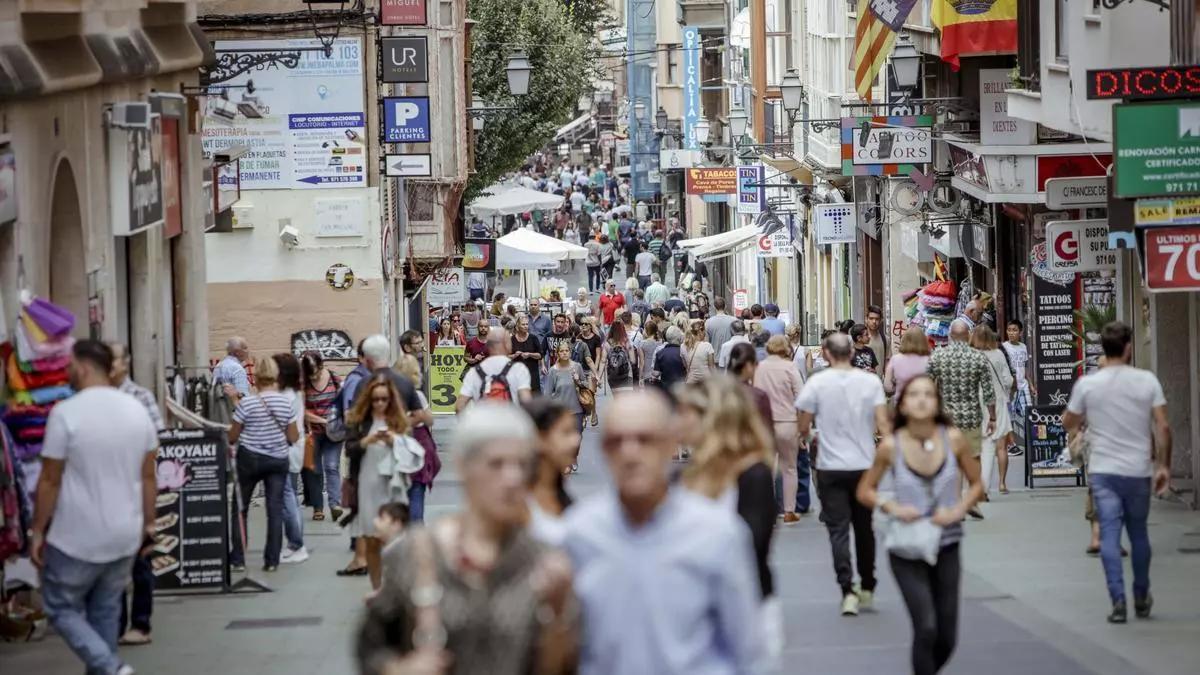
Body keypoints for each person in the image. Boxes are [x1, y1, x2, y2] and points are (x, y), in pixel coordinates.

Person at [357, 403, 577, 675]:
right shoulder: (418, 552)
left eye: (521, 464)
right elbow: (371, 647)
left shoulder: (544, 560)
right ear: (463, 466)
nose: (512, 478)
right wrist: (397, 668)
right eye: (496, 463)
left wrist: (558, 619)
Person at [562, 391, 764, 675]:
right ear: (604, 451)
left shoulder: (717, 533)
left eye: (645, 439)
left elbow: (749, 652)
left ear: (670, 444)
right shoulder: (578, 535)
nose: (630, 453)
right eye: (617, 442)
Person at [32, 341, 158, 675]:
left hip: (76, 534)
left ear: (84, 368)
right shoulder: (137, 411)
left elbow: (49, 479)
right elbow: (148, 476)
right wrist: (149, 524)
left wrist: (37, 530)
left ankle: (109, 666)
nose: (66, 371)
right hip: (124, 534)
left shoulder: (66, 413)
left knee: (58, 606)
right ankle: (107, 668)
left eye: (70, 365)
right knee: (104, 611)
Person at [856, 375, 985, 675]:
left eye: (929, 394)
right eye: (914, 394)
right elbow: (865, 490)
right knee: (926, 627)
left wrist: (958, 510)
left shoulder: (952, 438)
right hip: (906, 548)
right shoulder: (890, 445)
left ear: (938, 402)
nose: (922, 399)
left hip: (947, 542)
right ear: (901, 404)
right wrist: (893, 506)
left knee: (947, 637)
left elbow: (978, 484)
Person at [1063, 322, 1172, 623]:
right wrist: (1163, 465)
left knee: (1109, 534)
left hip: (1103, 470)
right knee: (1139, 534)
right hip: (1138, 470)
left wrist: (1081, 419)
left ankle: (1118, 601)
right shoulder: (1146, 380)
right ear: (1128, 348)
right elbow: (1162, 427)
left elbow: (1068, 421)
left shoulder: (1088, 385)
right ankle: (1141, 592)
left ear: (1104, 349)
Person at [796, 333, 890, 616]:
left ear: (825, 353)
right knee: (864, 527)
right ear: (851, 352)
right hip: (863, 465)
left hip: (830, 467)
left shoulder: (817, 383)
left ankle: (846, 589)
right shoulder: (870, 382)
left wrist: (806, 435)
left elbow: (803, 424)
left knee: (838, 530)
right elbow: (883, 423)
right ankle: (868, 585)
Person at [343, 375, 425, 589]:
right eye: (376, 399)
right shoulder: (359, 420)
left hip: (392, 483)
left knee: (395, 537)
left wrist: (394, 441)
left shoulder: (398, 420)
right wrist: (366, 441)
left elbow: (408, 449)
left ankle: (395, 586)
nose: (380, 403)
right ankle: (377, 586)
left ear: (391, 400)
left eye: (384, 399)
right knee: (371, 537)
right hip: (367, 483)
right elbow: (350, 449)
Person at [107, 344, 162, 648]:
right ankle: (113, 624)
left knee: (140, 562)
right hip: (103, 493)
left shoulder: (141, 397)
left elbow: (155, 443)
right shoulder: (92, 400)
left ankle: (140, 623)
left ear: (125, 363)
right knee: (109, 562)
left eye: (112, 358)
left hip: (134, 489)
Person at [226, 356, 300, 572]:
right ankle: (271, 561)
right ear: (276, 376)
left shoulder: (247, 402)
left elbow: (233, 435)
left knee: (240, 508)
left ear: (256, 378)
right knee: (274, 509)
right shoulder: (286, 403)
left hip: (249, 458)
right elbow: (294, 437)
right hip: (277, 459)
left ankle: (238, 559)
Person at [926, 320, 995, 520]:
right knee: (973, 458)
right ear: (968, 335)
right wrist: (993, 417)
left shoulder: (939, 355)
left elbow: (926, 383)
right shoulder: (977, 357)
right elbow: (989, 391)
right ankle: (971, 500)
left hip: (946, 417)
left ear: (950, 335)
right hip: (972, 416)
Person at [755, 335, 806, 524]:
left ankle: (767, 508)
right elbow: (802, 397)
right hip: (787, 422)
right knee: (789, 468)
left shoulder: (759, 368)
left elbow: (757, 394)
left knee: (767, 467)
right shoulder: (789, 367)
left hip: (765, 423)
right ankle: (789, 511)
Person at [522, 398, 581, 545]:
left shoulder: (565, 501)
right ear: (540, 438)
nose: (576, 440)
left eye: (574, 431)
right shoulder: (515, 507)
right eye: (566, 433)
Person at [271, 353, 309, 566]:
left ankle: (296, 544)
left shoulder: (286, 396)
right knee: (290, 497)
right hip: (293, 449)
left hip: (287, 449)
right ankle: (295, 543)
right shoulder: (293, 393)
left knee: (288, 499)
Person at [395, 354, 441, 523]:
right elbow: (429, 419)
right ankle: (415, 534)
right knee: (415, 492)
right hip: (416, 448)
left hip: (395, 448)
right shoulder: (417, 395)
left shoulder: (389, 395)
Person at [971, 326, 1015, 497]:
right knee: (999, 446)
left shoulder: (971, 355)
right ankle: (998, 484)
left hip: (976, 403)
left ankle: (978, 485)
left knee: (979, 445)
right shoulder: (998, 354)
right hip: (998, 403)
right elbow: (1008, 380)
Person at [301, 352, 343, 522]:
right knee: (315, 470)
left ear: (321, 365)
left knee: (332, 466)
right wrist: (321, 420)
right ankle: (318, 508)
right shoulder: (303, 384)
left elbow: (344, 401)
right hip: (314, 433)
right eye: (310, 373)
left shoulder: (334, 378)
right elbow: (301, 411)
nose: (314, 376)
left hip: (335, 432)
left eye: (316, 371)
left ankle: (335, 505)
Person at [458, 328, 533, 410]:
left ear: (488, 346)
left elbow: (459, 405)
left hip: (482, 421)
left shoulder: (474, 372)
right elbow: (526, 402)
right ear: (507, 344)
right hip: (508, 420)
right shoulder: (519, 369)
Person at [1001, 319, 1032, 456]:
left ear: (1020, 332)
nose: (1011, 333)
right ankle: (1010, 445)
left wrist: (1030, 384)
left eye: (1014, 330)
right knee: (1010, 417)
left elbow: (1025, 367)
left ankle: (1032, 442)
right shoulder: (1004, 347)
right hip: (1010, 388)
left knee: (1029, 413)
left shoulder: (1023, 347)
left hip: (1023, 385)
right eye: (1009, 330)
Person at [884, 326, 932, 402]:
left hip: (901, 403)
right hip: (923, 404)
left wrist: (896, 388)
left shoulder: (895, 359)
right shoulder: (929, 360)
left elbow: (887, 386)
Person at [510, 315, 545, 395]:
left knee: (535, 400)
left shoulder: (533, 338)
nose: (526, 326)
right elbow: (506, 356)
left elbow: (540, 355)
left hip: (532, 374)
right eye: (523, 324)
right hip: (517, 375)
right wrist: (514, 355)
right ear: (518, 326)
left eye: (527, 324)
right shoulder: (512, 339)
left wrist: (530, 354)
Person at [601, 319, 637, 394]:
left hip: (613, 376)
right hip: (626, 375)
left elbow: (603, 361)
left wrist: (599, 377)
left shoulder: (607, 344)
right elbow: (633, 360)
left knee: (618, 400)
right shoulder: (627, 342)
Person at [682, 320, 715, 384]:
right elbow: (712, 368)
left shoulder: (684, 346)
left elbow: (686, 366)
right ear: (700, 331)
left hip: (691, 382)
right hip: (705, 382)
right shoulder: (707, 346)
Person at [865, 304, 889, 375]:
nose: (874, 322)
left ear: (881, 320)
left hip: (879, 382)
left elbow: (887, 361)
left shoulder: (885, 339)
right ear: (866, 319)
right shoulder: (859, 338)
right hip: (862, 382)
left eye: (877, 319)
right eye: (871, 318)